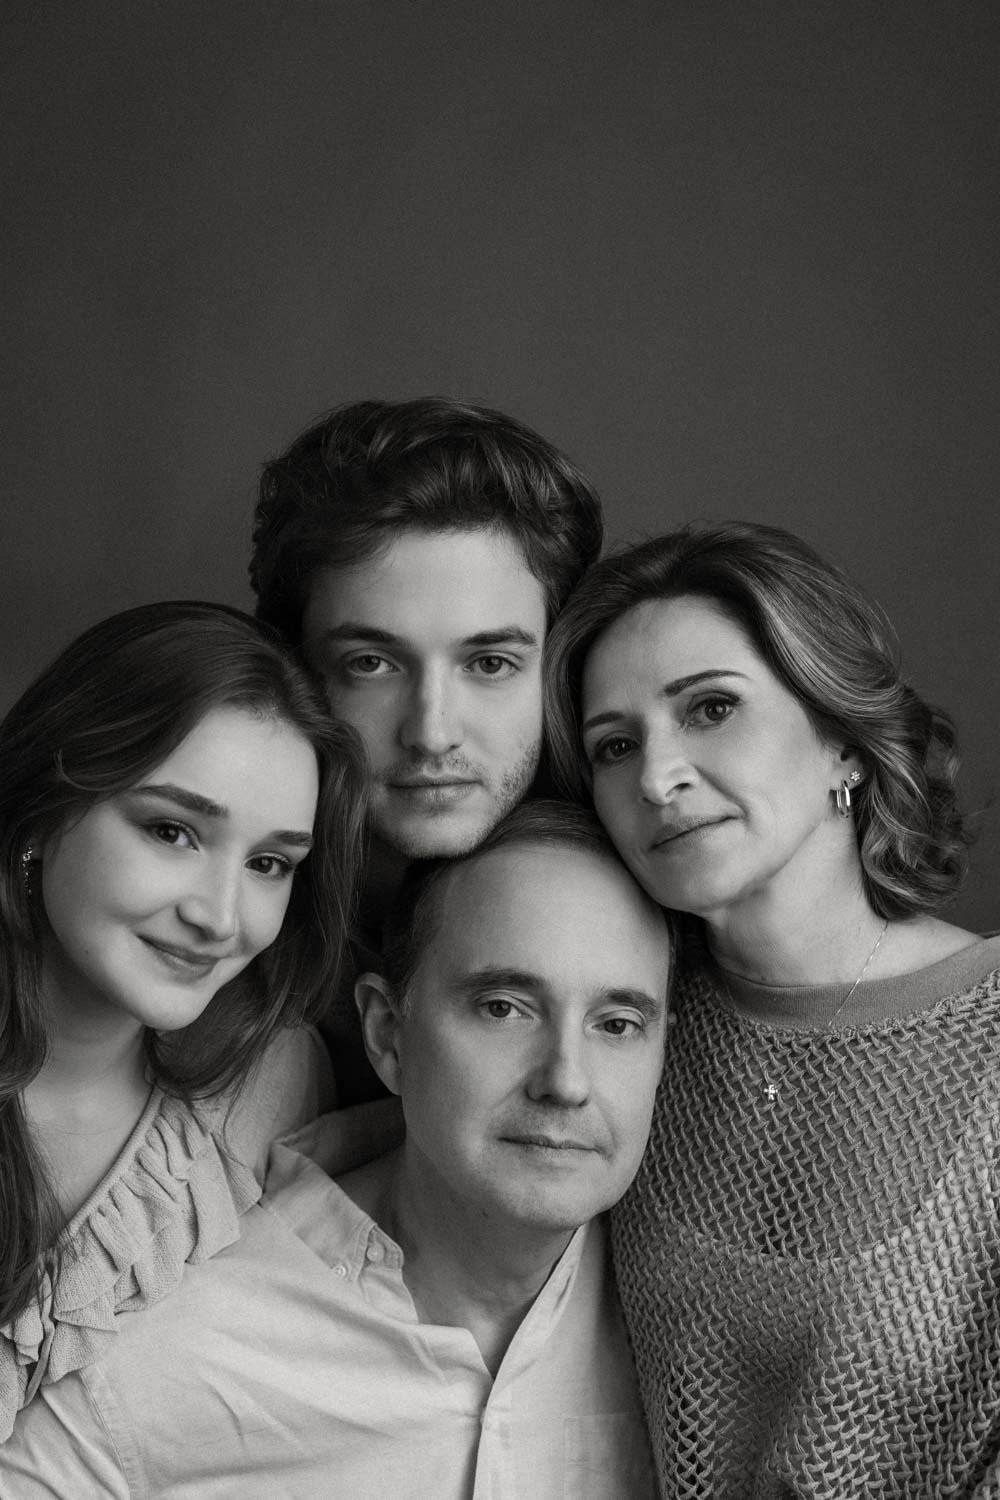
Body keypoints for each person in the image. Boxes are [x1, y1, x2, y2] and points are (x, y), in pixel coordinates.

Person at [3, 801, 669, 1498]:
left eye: (618, 1024)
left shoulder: (689, 1326)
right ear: (387, 1035)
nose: (565, 1081)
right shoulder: (152, 1356)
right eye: (502, 1007)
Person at [543, 519, 1000, 1498]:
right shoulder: (622, 1036)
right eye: (615, 746)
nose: (656, 778)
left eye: (710, 708)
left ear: (843, 743)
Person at [0, 601, 367, 1443]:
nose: (219, 916)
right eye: (172, 831)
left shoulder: (269, 1087)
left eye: (269, 863)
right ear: (42, 815)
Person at [251, 396, 603, 1101]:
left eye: (490, 664)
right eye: (372, 665)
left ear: (558, 667)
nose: (432, 733)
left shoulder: (646, 904)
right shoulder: (208, 919)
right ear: (296, 670)